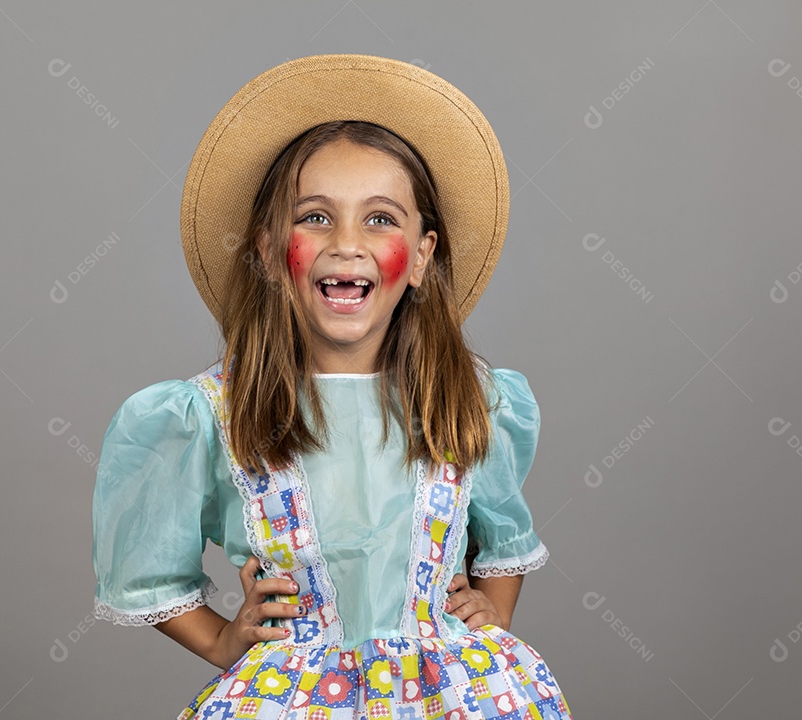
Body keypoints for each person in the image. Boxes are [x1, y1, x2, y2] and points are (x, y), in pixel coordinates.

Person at [92, 54, 573, 720]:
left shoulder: (471, 397)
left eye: (380, 219)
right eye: (314, 217)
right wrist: (224, 641)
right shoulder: (211, 414)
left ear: (423, 257)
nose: (347, 244)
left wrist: (490, 613)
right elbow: (150, 570)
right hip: (292, 699)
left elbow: (505, 541)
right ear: (266, 250)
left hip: (452, 698)